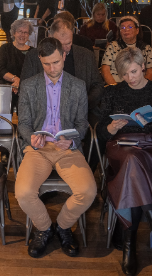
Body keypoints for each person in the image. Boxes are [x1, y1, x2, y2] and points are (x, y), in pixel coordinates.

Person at [96, 47, 152, 276]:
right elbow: (101, 132)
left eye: (133, 71)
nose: (130, 78)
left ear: (143, 66)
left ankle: (129, 245)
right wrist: (110, 128)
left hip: (151, 149)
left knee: (133, 163)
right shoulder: (113, 93)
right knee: (131, 159)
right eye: (124, 74)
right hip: (120, 147)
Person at [15, 37, 97, 259]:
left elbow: (82, 123)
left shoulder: (77, 86)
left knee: (88, 192)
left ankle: (63, 226)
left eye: (56, 62)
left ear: (64, 56)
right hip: (38, 150)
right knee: (23, 193)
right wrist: (32, 137)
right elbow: (23, 123)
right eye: (46, 64)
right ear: (40, 60)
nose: (52, 69)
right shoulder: (29, 85)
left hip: (66, 148)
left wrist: (72, 140)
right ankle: (44, 228)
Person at [21, 19, 105, 123]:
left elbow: (98, 85)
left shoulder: (86, 56)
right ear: (50, 37)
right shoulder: (34, 56)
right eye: (60, 44)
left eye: (68, 43)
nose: (64, 48)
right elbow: (25, 89)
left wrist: (83, 103)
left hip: (81, 113)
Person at [100, 15, 152, 84]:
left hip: (139, 86)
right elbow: (105, 70)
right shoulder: (112, 47)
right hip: (116, 84)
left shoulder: (146, 48)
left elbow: (150, 72)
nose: (126, 30)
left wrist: (142, 87)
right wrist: (115, 87)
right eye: (122, 27)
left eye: (130, 27)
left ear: (137, 30)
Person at [0, 19, 33, 111]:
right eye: (20, 31)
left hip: (25, 86)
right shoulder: (5, 48)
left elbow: (34, 73)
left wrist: (20, 84)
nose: (22, 35)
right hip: (6, 84)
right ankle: (4, 120)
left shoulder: (33, 52)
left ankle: (24, 120)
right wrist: (15, 79)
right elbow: (1, 69)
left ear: (29, 35)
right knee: (4, 101)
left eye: (25, 32)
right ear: (14, 33)